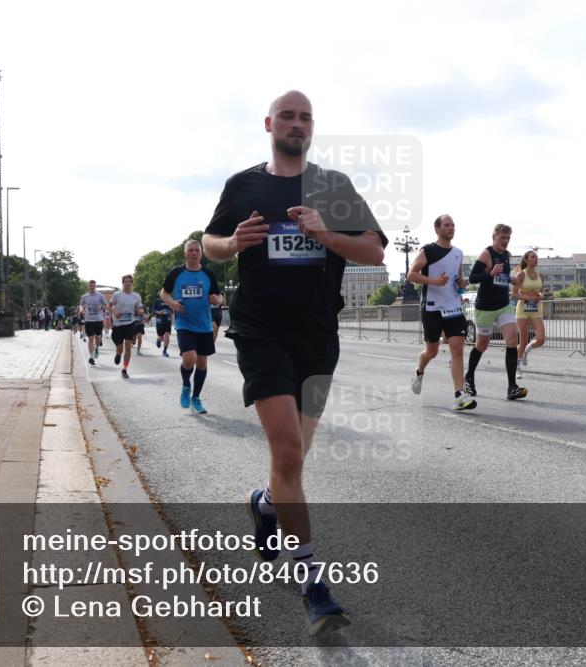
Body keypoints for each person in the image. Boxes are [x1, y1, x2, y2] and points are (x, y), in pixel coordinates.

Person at [202, 90, 386, 635]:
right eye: (288, 115)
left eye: (306, 117)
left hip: (316, 336)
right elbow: (208, 242)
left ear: (312, 128)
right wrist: (233, 242)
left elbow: (375, 250)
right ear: (269, 124)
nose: (297, 123)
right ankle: (312, 585)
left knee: (294, 459)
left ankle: (263, 501)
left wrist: (323, 234)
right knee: (286, 449)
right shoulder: (243, 185)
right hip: (260, 330)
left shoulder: (333, 186)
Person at [408, 214, 476, 411]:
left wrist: (462, 284)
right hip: (432, 308)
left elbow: (459, 280)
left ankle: (459, 395)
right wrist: (433, 281)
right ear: (437, 229)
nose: (451, 228)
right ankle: (419, 371)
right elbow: (412, 275)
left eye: (453, 225)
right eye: (447, 225)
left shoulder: (458, 253)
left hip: (453, 307)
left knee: (457, 348)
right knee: (432, 351)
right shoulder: (427, 250)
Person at [464, 224, 527, 400]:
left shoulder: (506, 255)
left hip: (503, 305)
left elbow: (502, 277)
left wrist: (511, 279)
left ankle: (512, 387)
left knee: (512, 340)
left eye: (508, 239)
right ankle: (469, 377)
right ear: (494, 238)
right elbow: (473, 278)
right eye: (502, 238)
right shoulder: (487, 254)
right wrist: (490, 273)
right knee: (482, 345)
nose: (505, 242)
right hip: (485, 307)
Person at [162, 240, 222, 414]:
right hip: (184, 323)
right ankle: (186, 385)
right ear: (185, 253)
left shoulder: (208, 274)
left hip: (204, 324)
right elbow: (164, 292)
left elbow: (219, 296)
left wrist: (218, 300)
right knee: (190, 359)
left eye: (197, 250)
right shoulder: (176, 273)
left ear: (201, 254)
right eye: (191, 250)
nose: (194, 253)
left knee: (202, 363)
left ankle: (196, 398)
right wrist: (172, 303)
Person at [513, 250, 547, 379]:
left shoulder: (541, 276)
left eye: (536, 257)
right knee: (522, 340)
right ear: (527, 260)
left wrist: (540, 296)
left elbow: (542, 292)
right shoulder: (521, 275)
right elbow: (514, 294)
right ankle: (517, 368)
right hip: (522, 309)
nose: (536, 259)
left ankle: (527, 350)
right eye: (533, 257)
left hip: (535, 310)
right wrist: (527, 297)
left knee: (541, 339)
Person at [108, 275, 143, 379]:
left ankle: (124, 369)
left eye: (129, 282)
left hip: (130, 323)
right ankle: (118, 354)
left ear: (132, 283)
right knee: (120, 349)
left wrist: (140, 312)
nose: (127, 283)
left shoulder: (136, 296)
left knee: (128, 345)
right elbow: (109, 306)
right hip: (118, 325)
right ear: (122, 283)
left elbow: (139, 309)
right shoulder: (117, 295)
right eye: (125, 282)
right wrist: (114, 312)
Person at [80, 280, 108, 365]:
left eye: (93, 285)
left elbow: (106, 305)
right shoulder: (85, 296)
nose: (92, 287)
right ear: (88, 287)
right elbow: (81, 305)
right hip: (89, 320)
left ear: (95, 286)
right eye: (90, 285)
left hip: (98, 320)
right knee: (90, 339)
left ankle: (97, 348)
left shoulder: (100, 296)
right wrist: (81, 310)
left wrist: (101, 306)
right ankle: (91, 357)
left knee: (98, 338)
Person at [152, 290, 173, 357]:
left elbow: (173, 310)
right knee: (161, 337)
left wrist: (171, 307)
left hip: (167, 320)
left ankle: (164, 351)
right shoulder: (157, 301)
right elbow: (153, 310)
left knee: (167, 335)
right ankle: (159, 339)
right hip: (159, 321)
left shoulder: (170, 301)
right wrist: (158, 312)